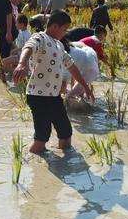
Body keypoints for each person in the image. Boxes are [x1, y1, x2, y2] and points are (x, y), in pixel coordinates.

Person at [12, 10, 94, 154]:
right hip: (38, 96)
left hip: (54, 96)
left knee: (66, 133)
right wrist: (21, 63)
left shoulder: (59, 45)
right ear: (55, 26)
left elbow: (72, 66)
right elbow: (28, 47)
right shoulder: (40, 38)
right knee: (42, 138)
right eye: (64, 29)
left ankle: (63, 167)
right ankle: (32, 165)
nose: (65, 33)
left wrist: (85, 87)